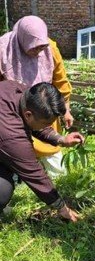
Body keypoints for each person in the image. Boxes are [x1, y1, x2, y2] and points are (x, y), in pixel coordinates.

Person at [0, 15, 74, 177]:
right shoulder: (3, 50)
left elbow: (61, 82)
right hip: (14, 116)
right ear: (22, 39)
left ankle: (59, 180)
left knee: (50, 151)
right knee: (20, 155)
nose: (38, 51)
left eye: (41, 47)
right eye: (34, 47)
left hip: (44, 114)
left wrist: (66, 111)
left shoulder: (49, 48)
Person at [0, 80, 82, 221]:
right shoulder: (12, 136)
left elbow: (36, 123)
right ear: (28, 115)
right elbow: (35, 175)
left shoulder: (20, 92)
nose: (48, 126)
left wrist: (61, 139)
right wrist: (62, 207)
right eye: (46, 123)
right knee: (2, 191)